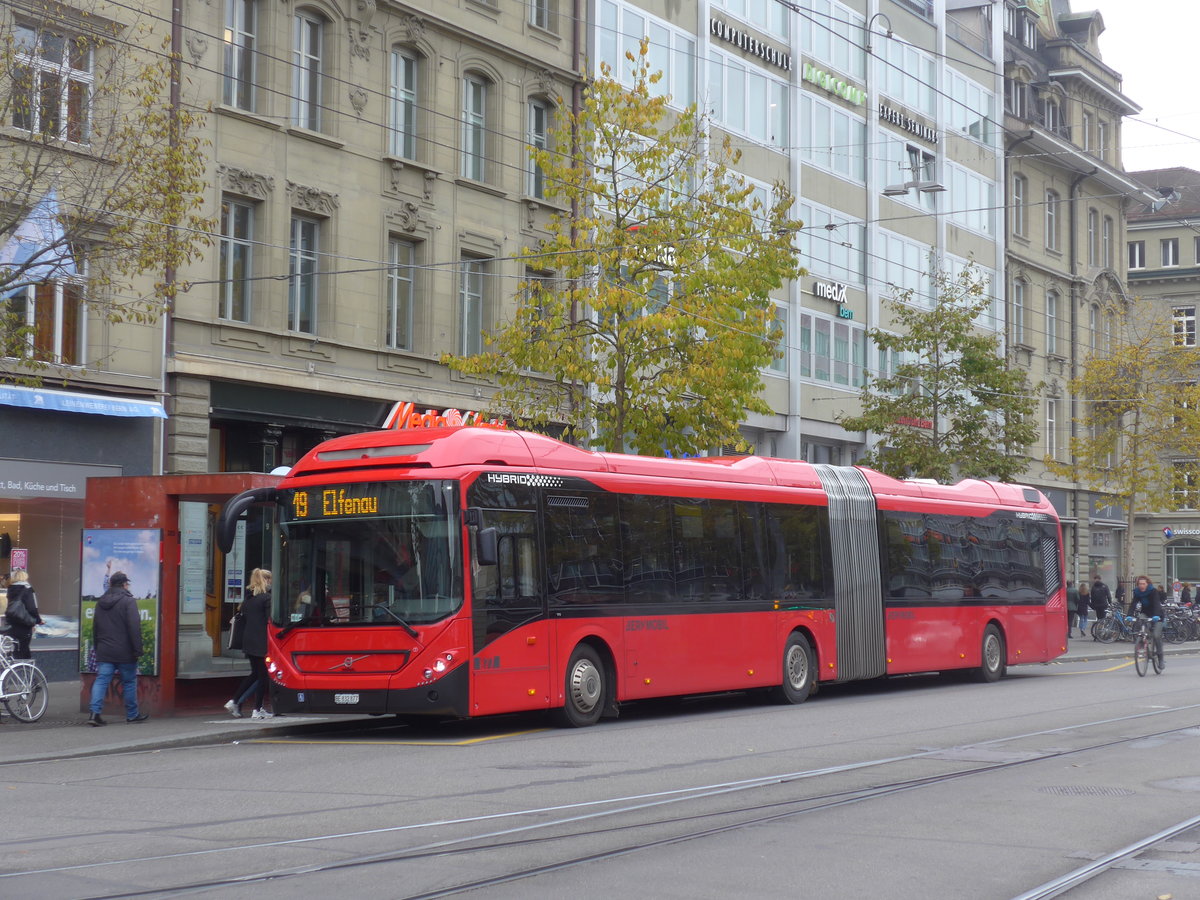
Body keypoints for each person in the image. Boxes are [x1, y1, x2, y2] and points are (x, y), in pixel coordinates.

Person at [87, 571, 148, 725]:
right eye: (127, 583)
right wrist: (138, 649)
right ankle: (132, 715)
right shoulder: (128, 601)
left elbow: (96, 627)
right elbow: (134, 627)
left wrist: (97, 647)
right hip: (125, 650)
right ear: (123, 584)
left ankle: (94, 714)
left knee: (101, 681)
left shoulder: (100, 602)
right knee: (129, 682)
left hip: (105, 650)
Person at [224, 568, 273, 720]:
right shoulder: (266, 599)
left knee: (255, 674)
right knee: (263, 676)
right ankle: (257, 709)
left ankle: (234, 701)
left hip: (248, 641)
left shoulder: (248, 599)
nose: (271, 583)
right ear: (266, 580)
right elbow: (269, 621)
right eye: (270, 580)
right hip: (261, 641)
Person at [3, 568, 43, 660]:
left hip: (11, 621)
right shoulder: (27, 589)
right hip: (24, 622)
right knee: (24, 648)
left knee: (16, 647)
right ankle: (25, 671)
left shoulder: (10, 589)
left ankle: (14, 668)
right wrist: (38, 620)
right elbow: (32, 607)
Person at [1129, 574, 1165, 669]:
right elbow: (1133, 604)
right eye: (1140, 584)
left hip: (1158, 615)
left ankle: (1160, 658)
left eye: (1143, 584)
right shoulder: (1137, 592)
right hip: (1145, 613)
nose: (1141, 585)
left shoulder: (1153, 591)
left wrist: (1156, 615)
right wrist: (1129, 615)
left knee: (1156, 635)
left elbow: (1157, 604)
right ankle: (1142, 640)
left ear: (1147, 584)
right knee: (1140, 619)